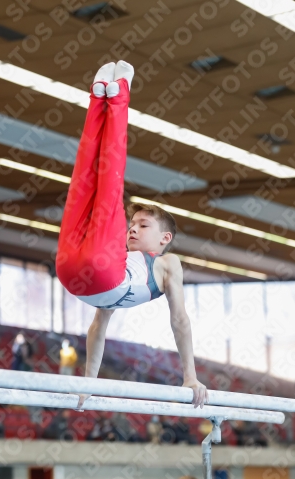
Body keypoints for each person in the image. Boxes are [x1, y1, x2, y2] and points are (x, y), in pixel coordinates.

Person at [55, 60, 208, 410]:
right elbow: (98, 326)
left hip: (74, 272)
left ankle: (110, 99)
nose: (133, 229)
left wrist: (190, 375)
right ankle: (108, 96)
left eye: (143, 226)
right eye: (133, 223)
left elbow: (179, 319)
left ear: (165, 239)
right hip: (94, 275)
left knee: (90, 185)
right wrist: (89, 381)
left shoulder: (168, 264)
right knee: (97, 182)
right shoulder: (122, 253)